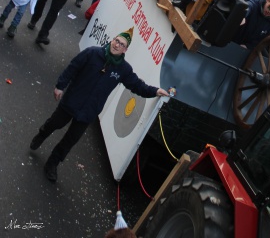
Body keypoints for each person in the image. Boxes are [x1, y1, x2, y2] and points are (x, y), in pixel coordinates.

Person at [29, 26, 169, 182]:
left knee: (70, 141)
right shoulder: (92, 53)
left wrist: (155, 91)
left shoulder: (124, 69)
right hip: (71, 101)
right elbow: (72, 67)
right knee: (54, 124)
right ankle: (42, 134)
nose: (117, 45)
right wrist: (60, 86)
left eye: (122, 44)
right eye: (117, 41)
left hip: (89, 111)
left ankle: (52, 164)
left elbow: (137, 86)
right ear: (112, 40)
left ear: (125, 50)